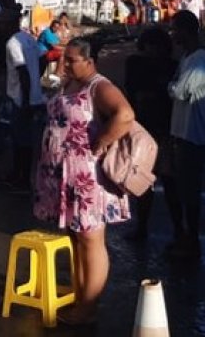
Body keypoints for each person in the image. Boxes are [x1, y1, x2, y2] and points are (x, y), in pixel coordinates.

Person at [33, 38, 134, 325]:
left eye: (71, 60)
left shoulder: (98, 86)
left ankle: (89, 307)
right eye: (64, 58)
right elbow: (51, 98)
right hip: (62, 173)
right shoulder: (69, 83)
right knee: (74, 236)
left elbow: (125, 114)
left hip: (86, 175)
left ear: (90, 62)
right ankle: (79, 298)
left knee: (91, 238)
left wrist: (102, 141)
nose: (65, 64)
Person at [163, 10, 205, 259]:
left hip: (193, 136)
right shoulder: (187, 57)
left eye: (175, 29)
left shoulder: (200, 60)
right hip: (179, 132)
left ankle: (192, 241)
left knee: (189, 191)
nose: (172, 34)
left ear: (186, 31)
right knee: (174, 185)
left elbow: (179, 91)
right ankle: (181, 235)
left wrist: (170, 86)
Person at [122, 27, 176, 241]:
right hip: (152, 129)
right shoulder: (167, 66)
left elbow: (134, 91)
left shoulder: (138, 64)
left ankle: (159, 229)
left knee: (162, 182)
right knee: (149, 181)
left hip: (156, 130)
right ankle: (147, 227)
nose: (152, 50)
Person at [4, 20, 44, 188]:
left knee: (19, 139)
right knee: (27, 139)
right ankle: (21, 175)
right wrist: (36, 82)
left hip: (20, 98)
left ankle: (21, 178)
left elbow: (23, 72)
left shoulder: (13, 43)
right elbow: (43, 59)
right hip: (34, 96)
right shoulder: (28, 39)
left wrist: (26, 100)